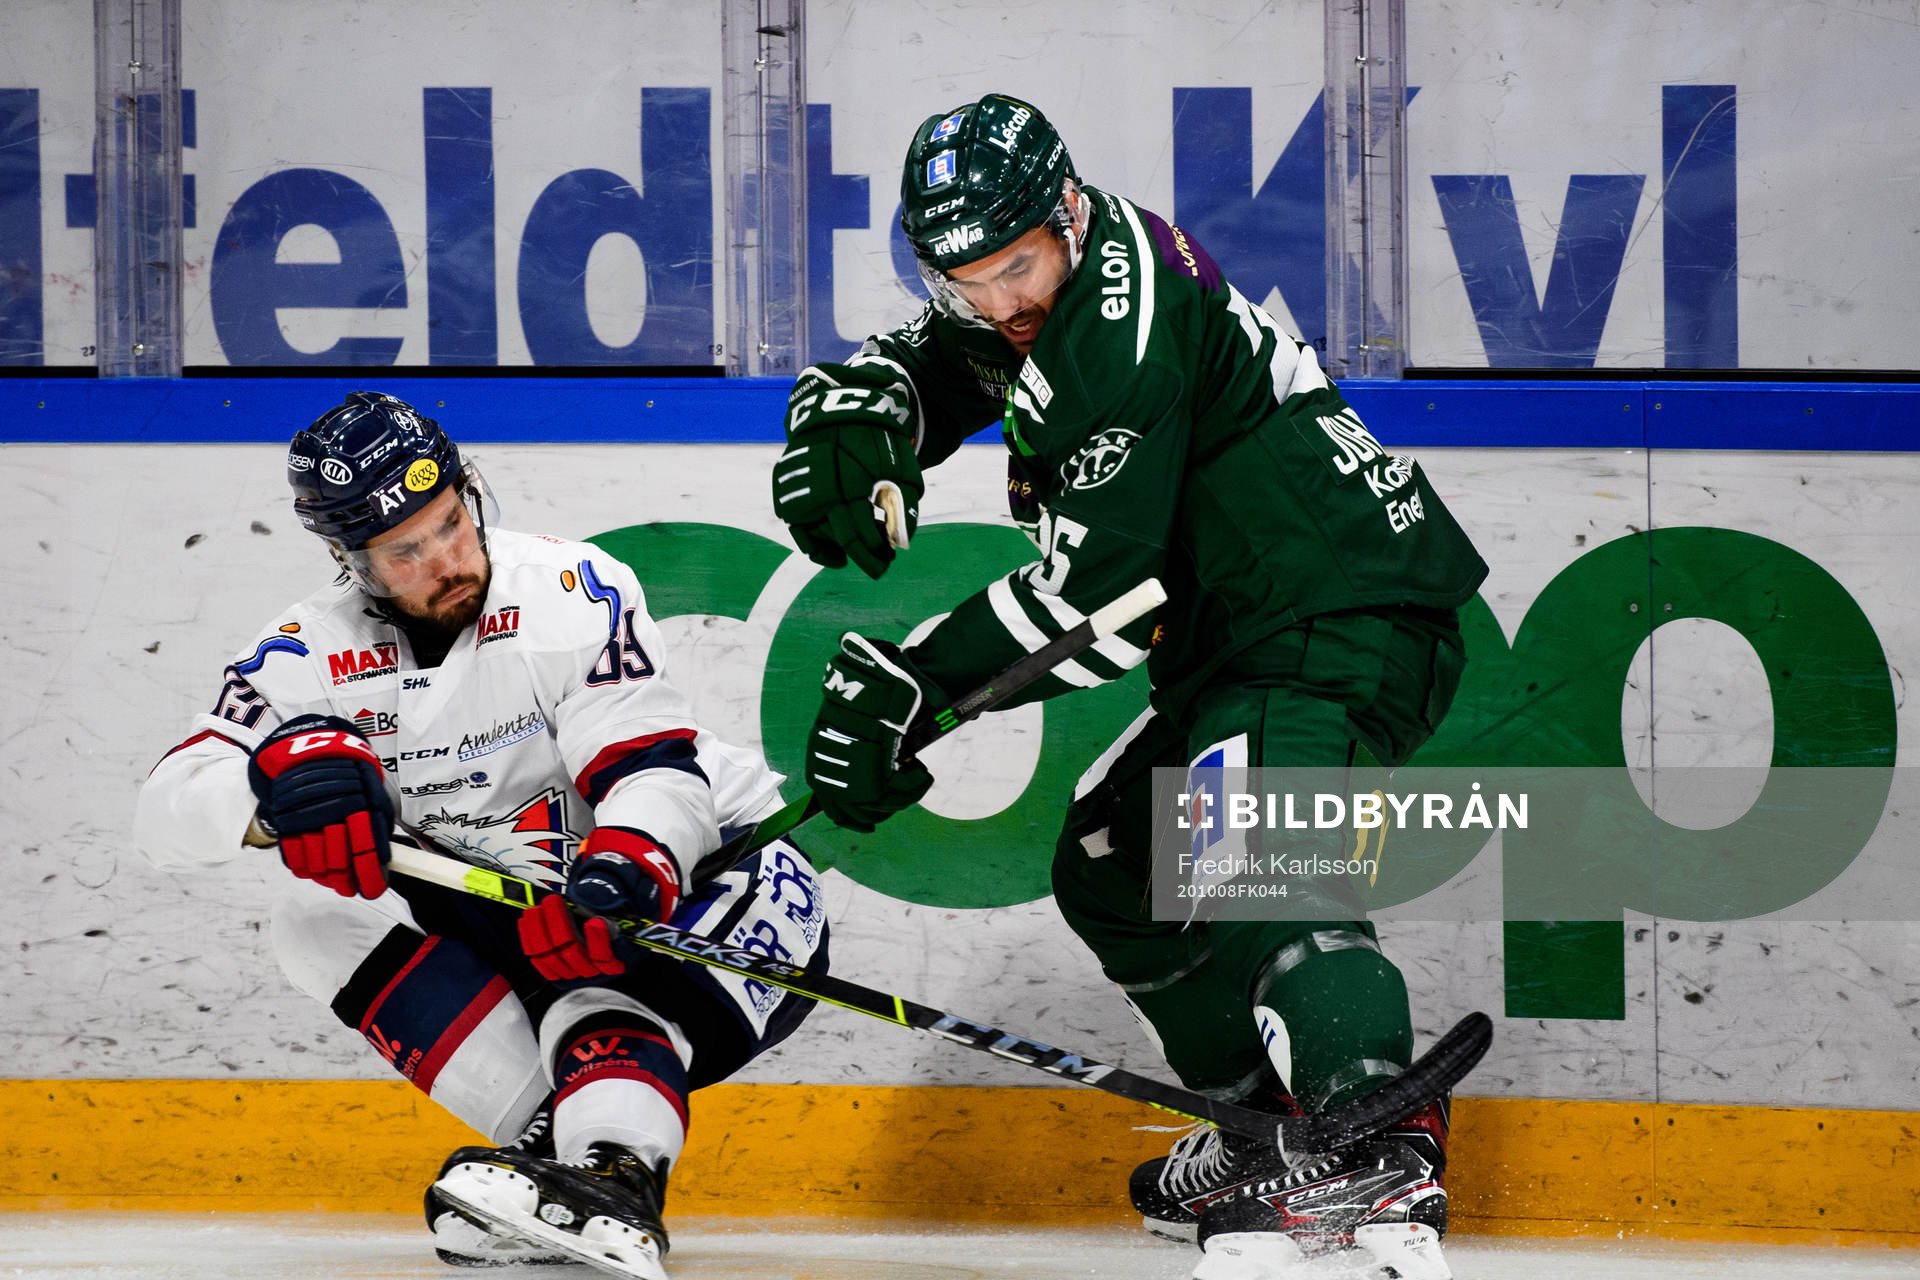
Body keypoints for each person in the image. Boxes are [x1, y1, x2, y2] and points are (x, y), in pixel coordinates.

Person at [770, 94, 1486, 1280]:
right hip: (1246, 643)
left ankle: (1378, 1150)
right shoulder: (1052, 287)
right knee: (1117, 866)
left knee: (1261, 863)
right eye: (964, 280)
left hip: (1334, 618)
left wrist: (917, 684)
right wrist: (872, 393)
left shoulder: (1117, 327)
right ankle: (1268, 1135)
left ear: (1065, 210)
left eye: (1014, 266)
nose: (1000, 301)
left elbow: (1099, 609)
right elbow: (947, 360)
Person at [136, 392, 829, 1280]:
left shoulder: (571, 588)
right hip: (531, 924)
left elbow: (652, 769)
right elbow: (160, 811)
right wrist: (269, 790)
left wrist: (629, 867)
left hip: (717, 885)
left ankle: (614, 1175)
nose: (447, 562)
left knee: (586, 971)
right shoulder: (305, 658)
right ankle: (568, 1159)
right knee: (310, 925)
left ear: (469, 493)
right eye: (404, 551)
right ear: (350, 560)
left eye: (452, 524)